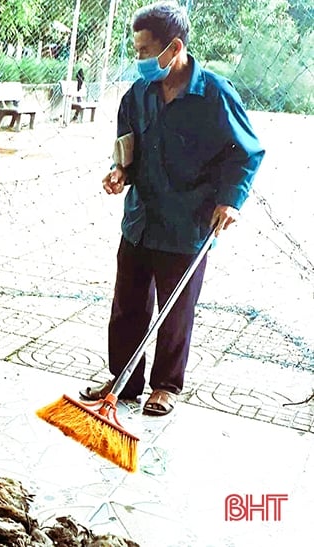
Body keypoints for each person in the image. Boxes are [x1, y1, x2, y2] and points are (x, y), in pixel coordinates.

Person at [80, 1, 264, 416]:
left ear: (174, 47)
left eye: (145, 51)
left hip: (188, 222)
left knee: (175, 307)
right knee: (127, 303)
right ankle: (124, 380)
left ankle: (165, 386)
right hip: (141, 218)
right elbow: (127, 143)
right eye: (137, 50)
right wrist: (119, 172)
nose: (139, 59)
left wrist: (231, 200)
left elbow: (247, 152)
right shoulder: (138, 93)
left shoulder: (215, 94)